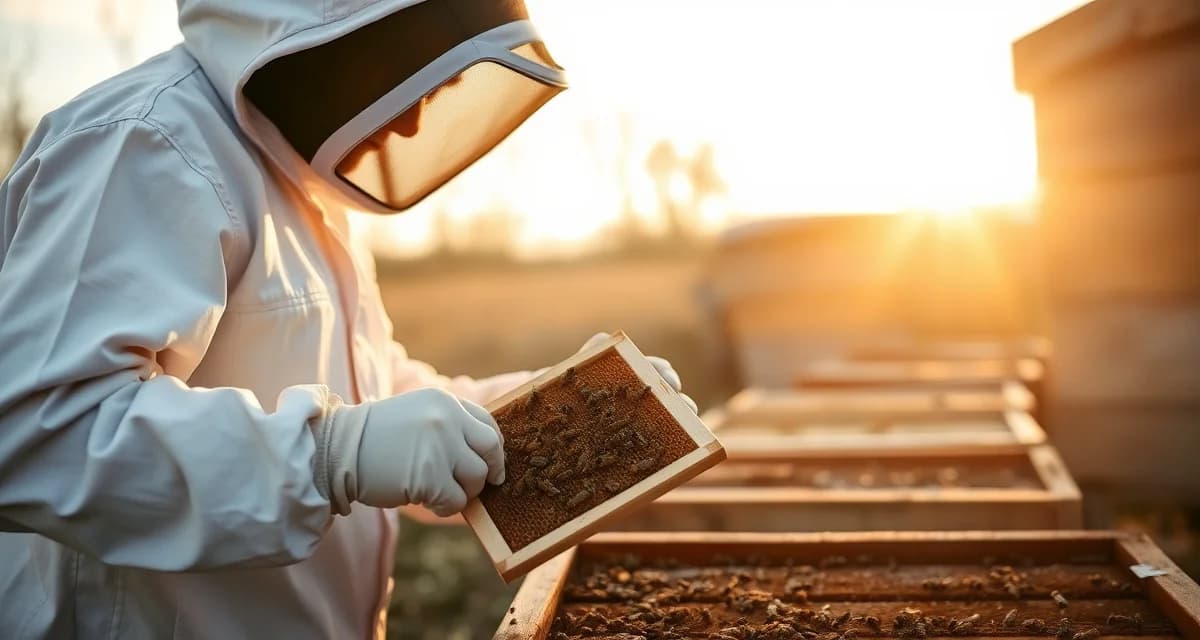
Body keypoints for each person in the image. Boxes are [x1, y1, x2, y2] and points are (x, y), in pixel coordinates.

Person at [0, 1, 693, 638]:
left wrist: (537, 407)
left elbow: (369, 390)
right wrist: (333, 456)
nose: (420, 117)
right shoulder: (141, 143)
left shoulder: (303, 182)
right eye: (412, 59)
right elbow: (43, 435)